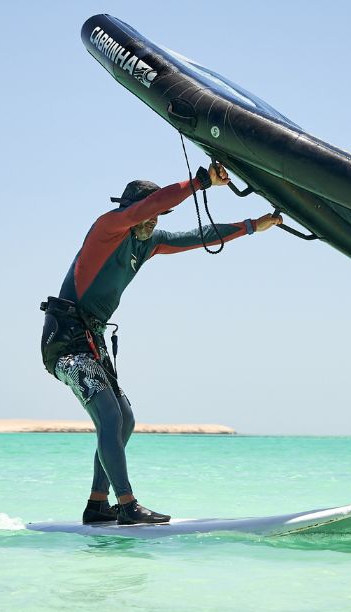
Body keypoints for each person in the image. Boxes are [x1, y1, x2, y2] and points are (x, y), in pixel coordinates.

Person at [40, 162, 281, 525]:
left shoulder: (149, 243)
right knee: (108, 414)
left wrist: (250, 226)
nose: (154, 221)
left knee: (125, 420)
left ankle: (96, 504)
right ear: (130, 212)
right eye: (150, 213)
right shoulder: (109, 227)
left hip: (93, 340)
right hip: (65, 340)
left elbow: (198, 236)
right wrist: (201, 182)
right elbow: (144, 209)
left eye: (159, 215)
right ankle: (127, 505)